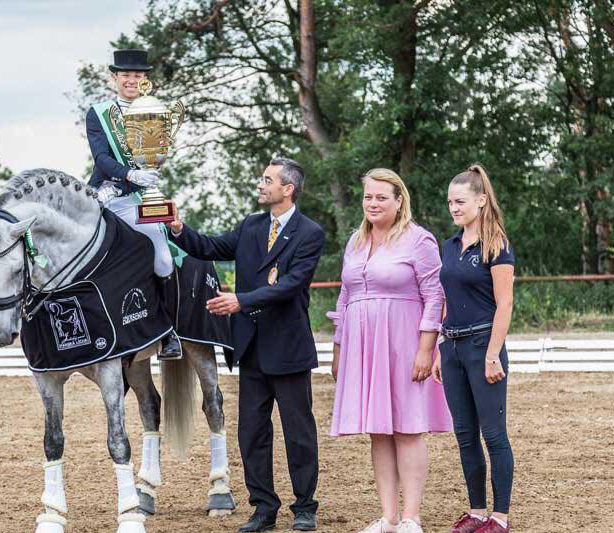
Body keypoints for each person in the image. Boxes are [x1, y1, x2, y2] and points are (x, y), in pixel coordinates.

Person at [168, 158, 325, 532]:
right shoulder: (251, 226)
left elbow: (292, 285)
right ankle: (263, 508)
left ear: (288, 189)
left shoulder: (309, 232)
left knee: (298, 433)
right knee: (252, 433)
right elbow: (208, 247)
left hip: (287, 347)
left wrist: (241, 300)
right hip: (252, 347)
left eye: (267, 179)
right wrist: (178, 228)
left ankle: (304, 507)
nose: (261, 184)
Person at [327, 168, 452, 533]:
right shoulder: (355, 242)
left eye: (382, 197)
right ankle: (389, 517)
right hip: (362, 345)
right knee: (378, 430)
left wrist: (426, 349)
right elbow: (345, 294)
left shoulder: (419, 240)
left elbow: (435, 296)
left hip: (403, 342)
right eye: (368, 196)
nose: (373, 203)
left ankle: (412, 517)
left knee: (408, 428)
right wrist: (338, 347)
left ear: (399, 201)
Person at [432, 164, 515, 533]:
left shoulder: (497, 246)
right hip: (451, 348)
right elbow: (447, 298)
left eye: (460, 201)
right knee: (464, 434)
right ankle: (477, 511)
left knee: (493, 434)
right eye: (450, 202)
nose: (454, 207)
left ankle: (500, 516)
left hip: (483, 345)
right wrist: (438, 347)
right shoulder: (448, 246)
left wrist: (493, 353)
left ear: (481, 200)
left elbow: (505, 304)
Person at [85, 48, 182, 360]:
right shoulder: (98, 113)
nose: (131, 79)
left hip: (136, 200)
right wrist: (129, 174)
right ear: (115, 77)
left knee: (164, 260)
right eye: (125, 74)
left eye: (137, 75)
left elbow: (159, 154)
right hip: (103, 194)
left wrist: (147, 173)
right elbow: (101, 157)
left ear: (145, 80)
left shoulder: (156, 111)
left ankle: (168, 333)